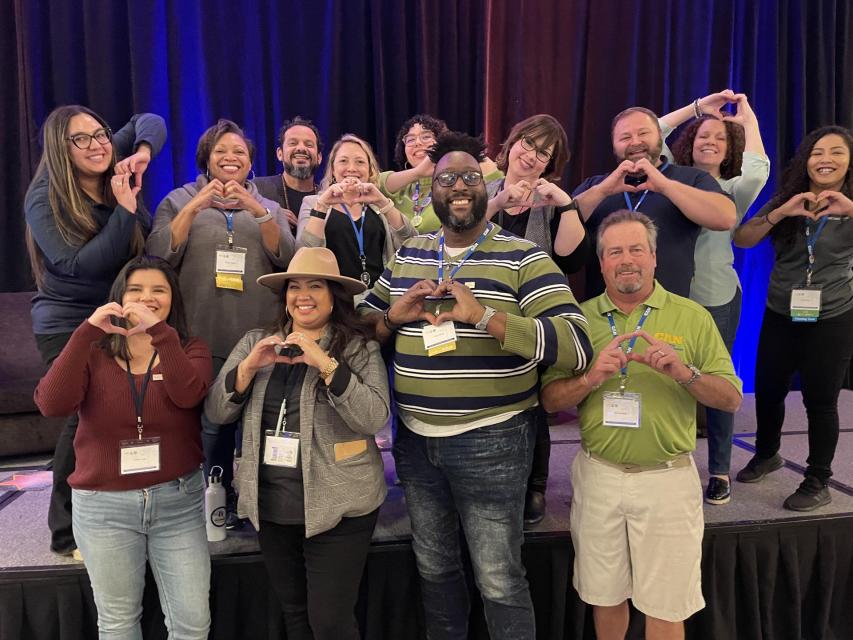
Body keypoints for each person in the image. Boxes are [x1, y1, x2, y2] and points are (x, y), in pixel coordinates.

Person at [360, 131, 593, 639]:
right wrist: (393, 319)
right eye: (446, 179)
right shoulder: (408, 255)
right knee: (435, 571)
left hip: (494, 440)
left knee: (499, 579)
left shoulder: (522, 256)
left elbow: (577, 345)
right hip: (415, 443)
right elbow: (361, 324)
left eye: (470, 177)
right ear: (433, 192)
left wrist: (485, 316)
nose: (459, 187)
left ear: (487, 187)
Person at [541, 210, 742, 640]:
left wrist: (684, 373)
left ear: (654, 257)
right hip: (598, 477)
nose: (626, 259)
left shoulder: (692, 317)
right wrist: (590, 378)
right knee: (604, 595)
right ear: (602, 263)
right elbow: (549, 399)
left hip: (666, 482)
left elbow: (730, 397)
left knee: (666, 605)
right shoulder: (579, 319)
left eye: (636, 249)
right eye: (615, 251)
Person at [205, 247, 388, 640]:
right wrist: (249, 367)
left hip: (340, 503)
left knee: (330, 622)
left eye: (315, 286)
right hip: (271, 504)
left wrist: (325, 363)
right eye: (295, 287)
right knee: (294, 614)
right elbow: (217, 412)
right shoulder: (257, 341)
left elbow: (374, 417)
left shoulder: (357, 346)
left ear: (334, 295)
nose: (302, 295)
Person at [34, 256, 213, 639]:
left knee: (192, 623)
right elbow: (51, 404)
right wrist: (84, 333)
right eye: (136, 289)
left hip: (177, 503)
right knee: (118, 622)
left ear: (172, 300)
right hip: (104, 506)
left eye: (158, 291)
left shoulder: (189, 348)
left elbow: (189, 396)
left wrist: (161, 334)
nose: (147, 298)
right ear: (119, 296)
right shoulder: (93, 351)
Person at [24, 105, 167, 559]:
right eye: (80, 139)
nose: (97, 144)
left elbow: (150, 119)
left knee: (122, 412)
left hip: (121, 315)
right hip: (70, 323)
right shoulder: (43, 197)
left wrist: (141, 151)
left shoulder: (110, 151)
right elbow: (79, 264)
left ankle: (121, 513)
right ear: (60, 149)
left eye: (100, 133)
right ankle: (64, 534)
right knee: (80, 416)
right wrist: (125, 210)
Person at [146, 118, 295, 528]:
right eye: (221, 152)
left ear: (250, 163)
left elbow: (287, 257)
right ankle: (214, 502)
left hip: (257, 335)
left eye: (239, 153)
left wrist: (257, 211)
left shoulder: (270, 207)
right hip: (200, 333)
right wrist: (198, 205)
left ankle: (261, 503)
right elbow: (159, 255)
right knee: (211, 423)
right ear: (206, 160)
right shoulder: (178, 199)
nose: (231, 159)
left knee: (260, 421)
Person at [733, 126, 853, 511]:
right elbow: (742, 238)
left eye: (836, 152)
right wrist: (781, 212)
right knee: (768, 389)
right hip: (780, 310)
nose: (826, 160)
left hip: (832, 315)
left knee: (821, 400)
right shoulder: (788, 199)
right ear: (807, 160)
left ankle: (818, 480)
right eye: (818, 152)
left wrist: (850, 210)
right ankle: (767, 453)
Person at [661, 90, 770, 504]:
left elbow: (759, 169)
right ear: (691, 141)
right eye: (704, 135)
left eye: (720, 139)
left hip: (717, 297)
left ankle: (720, 469)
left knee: (718, 383)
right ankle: (673, 462)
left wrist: (746, 117)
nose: (710, 141)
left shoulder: (732, 189)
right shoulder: (671, 177)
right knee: (667, 381)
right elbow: (651, 134)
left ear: (730, 149)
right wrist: (694, 108)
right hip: (669, 296)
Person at [486, 113, 591, 524]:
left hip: (532, 320)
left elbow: (572, 259)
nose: (532, 156)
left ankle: (536, 485)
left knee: (533, 403)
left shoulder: (552, 201)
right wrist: (497, 202)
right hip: (483, 312)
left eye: (543, 153)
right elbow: (459, 235)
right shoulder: (484, 190)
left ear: (551, 163)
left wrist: (564, 204)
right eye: (527, 144)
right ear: (512, 143)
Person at [572, 106, 737, 298]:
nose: (635, 142)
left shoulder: (691, 179)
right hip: (602, 313)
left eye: (643, 133)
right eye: (625, 137)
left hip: (669, 312)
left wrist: (666, 186)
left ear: (659, 136)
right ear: (614, 145)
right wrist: (603, 191)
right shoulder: (596, 186)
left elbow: (725, 218)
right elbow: (559, 226)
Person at [297, 133, 415, 290]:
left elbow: (411, 241)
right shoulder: (313, 203)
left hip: (379, 300)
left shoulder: (380, 205)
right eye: (343, 161)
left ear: (369, 170)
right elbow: (304, 254)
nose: (351, 168)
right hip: (336, 300)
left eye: (360, 162)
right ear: (333, 169)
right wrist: (322, 206)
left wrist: (383, 202)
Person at [380, 114, 503, 234]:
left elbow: (495, 175)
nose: (417, 143)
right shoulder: (399, 189)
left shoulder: (458, 184)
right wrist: (418, 173)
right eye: (410, 139)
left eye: (426, 136)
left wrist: (451, 152)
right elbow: (375, 183)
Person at [254, 116, 323, 232]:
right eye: (293, 143)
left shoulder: (326, 196)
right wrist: (270, 215)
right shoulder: (257, 189)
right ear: (279, 154)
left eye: (309, 144)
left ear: (319, 158)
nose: (301, 148)